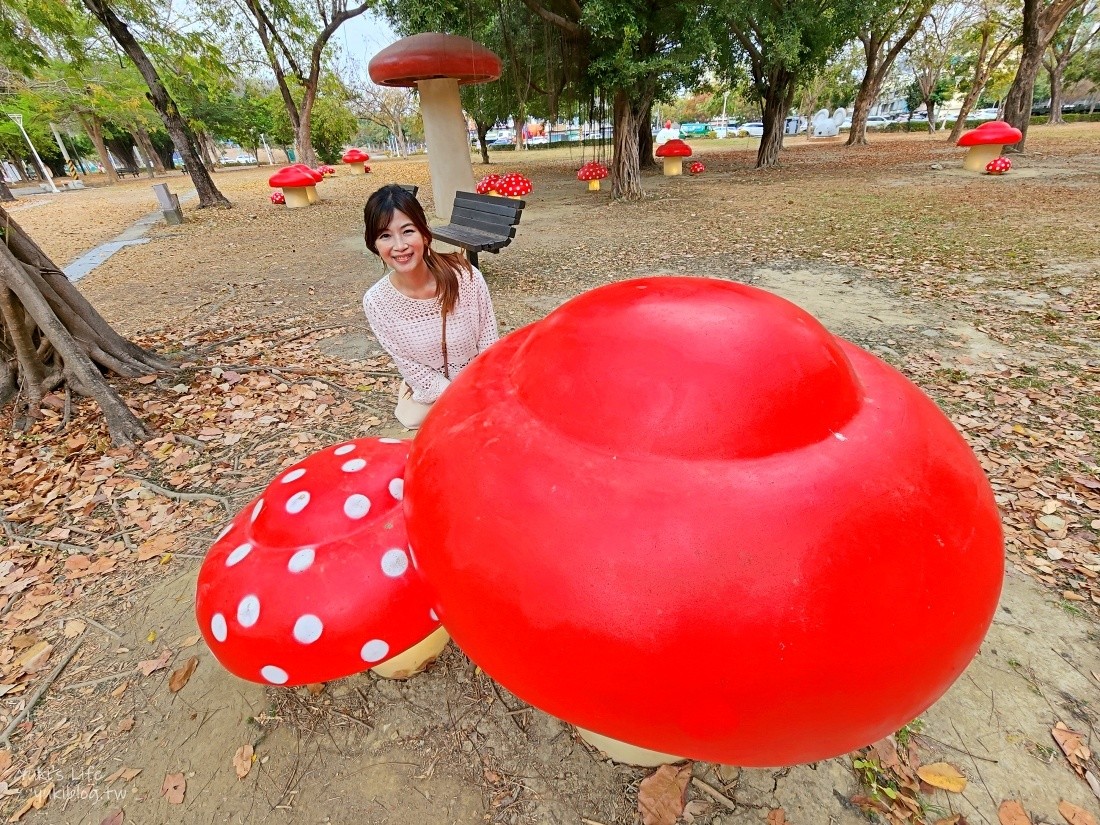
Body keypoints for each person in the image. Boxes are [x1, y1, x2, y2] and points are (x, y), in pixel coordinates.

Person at [362, 184, 499, 429]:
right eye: (385, 236)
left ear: (425, 235)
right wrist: (457, 401)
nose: (399, 245)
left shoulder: (467, 278)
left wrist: (480, 395)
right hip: (435, 395)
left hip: (480, 387)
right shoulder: (377, 302)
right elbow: (408, 365)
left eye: (407, 231)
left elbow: (489, 344)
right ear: (374, 245)